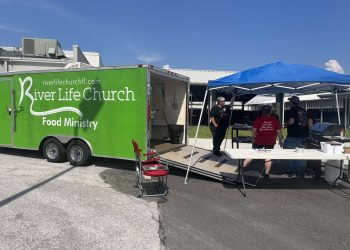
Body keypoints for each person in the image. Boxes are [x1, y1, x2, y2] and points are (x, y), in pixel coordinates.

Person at [243, 104, 283, 178]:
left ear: (262, 111)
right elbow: (279, 132)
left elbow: (253, 132)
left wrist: (252, 141)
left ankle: (243, 168)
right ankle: (267, 173)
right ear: (270, 111)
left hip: (259, 141)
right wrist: (280, 141)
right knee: (268, 157)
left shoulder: (258, 120)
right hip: (270, 142)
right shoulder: (275, 120)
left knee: (252, 154)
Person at [283, 95, 313, 178]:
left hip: (293, 134)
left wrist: (285, 125)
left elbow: (291, 121)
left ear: (292, 102)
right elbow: (310, 123)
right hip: (304, 135)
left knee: (289, 151)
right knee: (301, 153)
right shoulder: (305, 111)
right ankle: (300, 171)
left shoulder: (291, 110)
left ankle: (291, 171)